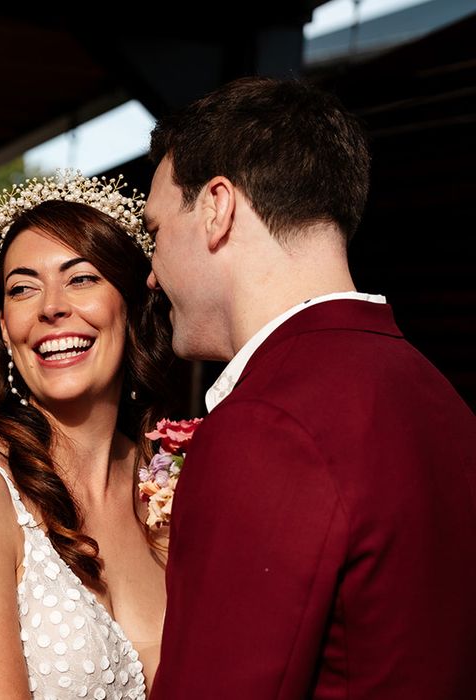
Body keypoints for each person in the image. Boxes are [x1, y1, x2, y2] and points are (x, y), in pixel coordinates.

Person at [143, 77, 476, 699]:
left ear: (218, 208)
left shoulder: (267, 425)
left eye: (156, 231)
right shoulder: (443, 399)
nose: (153, 277)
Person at [0, 171, 175, 699]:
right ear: (6, 328)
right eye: (23, 288)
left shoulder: (171, 482)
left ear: (133, 304)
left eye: (81, 278)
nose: (50, 307)